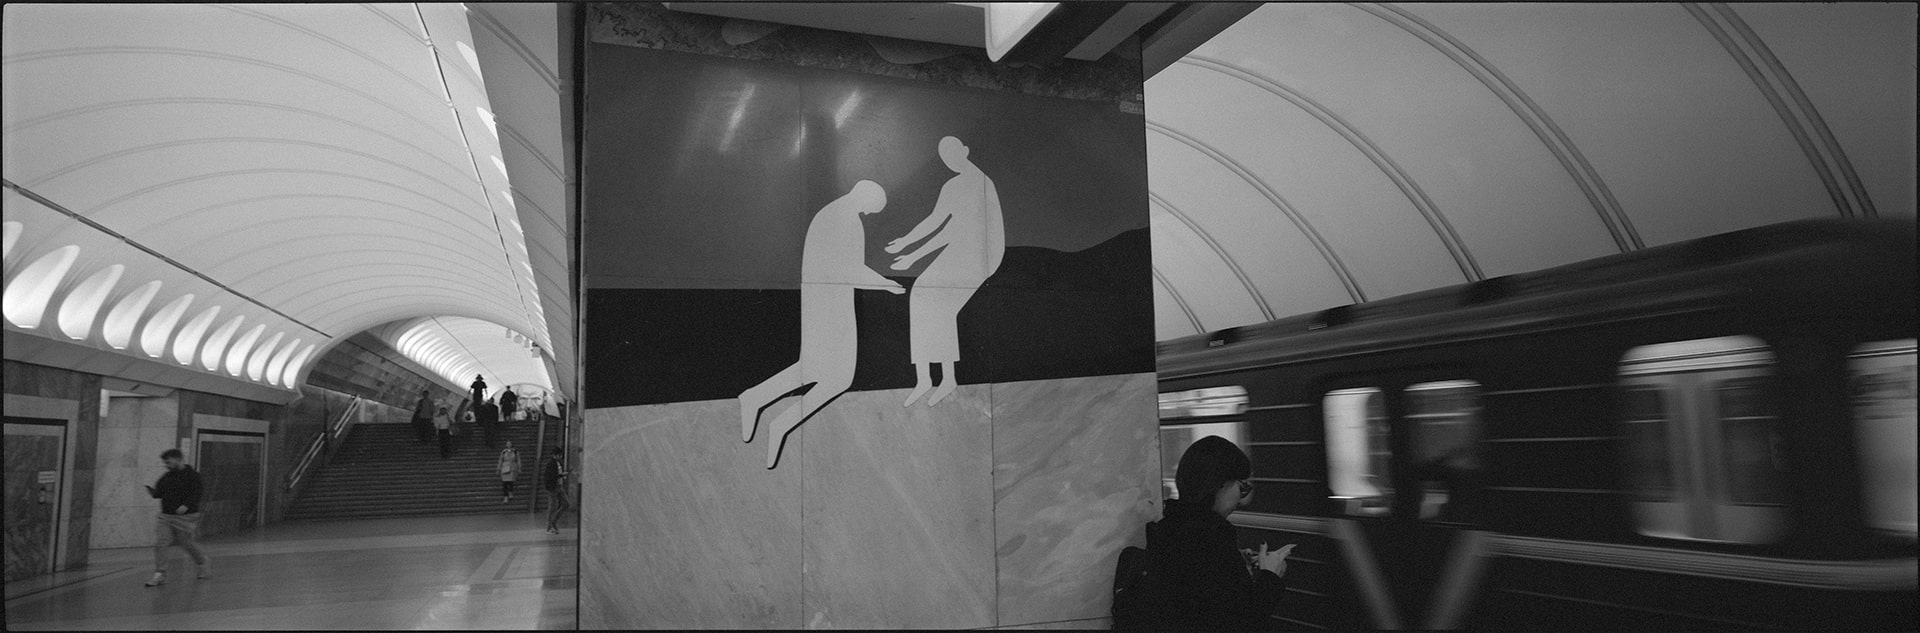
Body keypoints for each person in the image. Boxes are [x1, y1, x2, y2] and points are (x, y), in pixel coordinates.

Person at [738, 180, 903, 469]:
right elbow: (850, 269)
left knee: (814, 369)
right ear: (865, 198)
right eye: (872, 208)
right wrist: (885, 284)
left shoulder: (832, 213)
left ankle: (757, 400)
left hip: (823, 301)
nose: (869, 214)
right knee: (837, 378)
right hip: (831, 305)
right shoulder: (846, 219)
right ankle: (778, 422)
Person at [888, 136, 1005, 408]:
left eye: (952, 154)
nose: (950, 161)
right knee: (921, 295)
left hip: (981, 254)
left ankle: (948, 378)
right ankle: (924, 379)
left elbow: (952, 231)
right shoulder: (952, 185)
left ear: (965, 150)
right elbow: (936, 220)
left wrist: (914, 254)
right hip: (961, 249)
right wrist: (906, 243)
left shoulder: (980, 183)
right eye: (945, 158)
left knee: (940, 306)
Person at [1139, 435, 1290, 630]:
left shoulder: (1168, 528)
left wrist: (1236, 565)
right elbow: (1241, 620)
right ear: (1219, 483)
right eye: (1242, 487)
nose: (1240, 500)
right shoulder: (1210, 540)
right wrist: (1271, 576)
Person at [143, 448, 210, 586]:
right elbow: (159, 493)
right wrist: (153, 492)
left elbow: (197, 493)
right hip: (166, 516)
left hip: (186, 517)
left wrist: (186, 505)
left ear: (178, 459)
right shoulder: (166, 477)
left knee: (186, 543)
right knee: (161, 543)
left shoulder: (193, 476)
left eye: (168, 462)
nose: (166, 465)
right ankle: (160, 574)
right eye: (165, 463)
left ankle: (202, 562)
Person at [542, 446, 570, 534]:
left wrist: (562, 474)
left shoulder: (558, 463)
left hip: (559, 486)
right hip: (553, 487)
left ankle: (553, 521)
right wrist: (561, 475)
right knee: (552, 507)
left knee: (566, 504)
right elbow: (551, 476)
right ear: (556, 455)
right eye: (560, 455)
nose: (561, 457)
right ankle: (549, 527)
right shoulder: (551, 464)